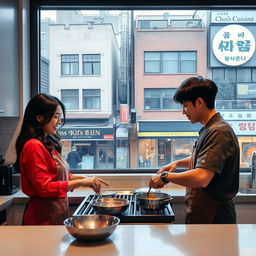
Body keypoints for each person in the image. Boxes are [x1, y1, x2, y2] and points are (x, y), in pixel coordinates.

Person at [149, 76, 240, 224]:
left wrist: (166, 177)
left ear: (199, 102)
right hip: (205, 214)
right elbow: (205, 160)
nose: (183, 112)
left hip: (215, 218)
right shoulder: (210, 128)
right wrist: (177, 163)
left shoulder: (218, 132)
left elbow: (201, 177)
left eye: (185, 105)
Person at [15, 93, 109, 225]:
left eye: (60, 117)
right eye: (55, 117)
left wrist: (88, 178)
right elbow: (45, 188)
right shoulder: (33, 146)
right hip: (42, 219)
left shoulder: (46, 144)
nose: (59, 122)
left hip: (55, 214)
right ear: (39, 117)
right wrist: (82, 183)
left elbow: (64, 175)